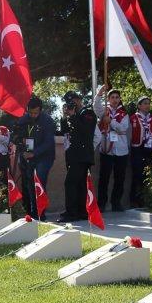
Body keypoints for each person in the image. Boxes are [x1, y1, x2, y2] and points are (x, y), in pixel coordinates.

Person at [13, 95, 56, 220]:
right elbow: (15, 134)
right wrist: (18, 142)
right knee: (30, 183)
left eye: (35, 113)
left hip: (44, 156)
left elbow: (49, 143)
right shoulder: (23, 119)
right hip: (28, 156)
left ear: (40, 110)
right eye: (30, 112)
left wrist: (34, 153)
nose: (33, 115)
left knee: (39, 181)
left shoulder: (47, 121)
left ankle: (40, 213)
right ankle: (33, 211)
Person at [59, 91, 98, 222]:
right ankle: (81, 212)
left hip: (82, 155)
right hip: (72, 154)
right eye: (69, 102)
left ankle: (72, 212)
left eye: (74, 101)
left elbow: (86, 131)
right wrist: (65, 117)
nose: (72, 104)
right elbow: (64, 132)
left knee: (71, 183)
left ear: (79, 100)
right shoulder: (72, 116)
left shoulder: (88, 113)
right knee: (79, 184)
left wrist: (73, 116)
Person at [94, 86, 130, 211]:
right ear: (108, 99)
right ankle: (102, 203)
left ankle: (116, 203)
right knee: (104, 178)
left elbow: (123, 128)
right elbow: (95, 106)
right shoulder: (104, 111)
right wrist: (99, 93)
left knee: (119, 178)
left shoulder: (124, 114)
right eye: (112, 97)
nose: (115, 99)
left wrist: (111, 122)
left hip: (121, 150)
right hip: (106, 150)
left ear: (120, 99)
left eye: (117, 97)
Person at [128, 96, 152, 208]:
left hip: (149, 148)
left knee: (147, 174)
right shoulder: (133, 118)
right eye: (145, 103)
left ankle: (146, 199)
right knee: (137, 174)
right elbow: (129, 134)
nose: (147, 105)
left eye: (148, 103)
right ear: (139, 106)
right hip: (137, 148)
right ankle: (134, 200)